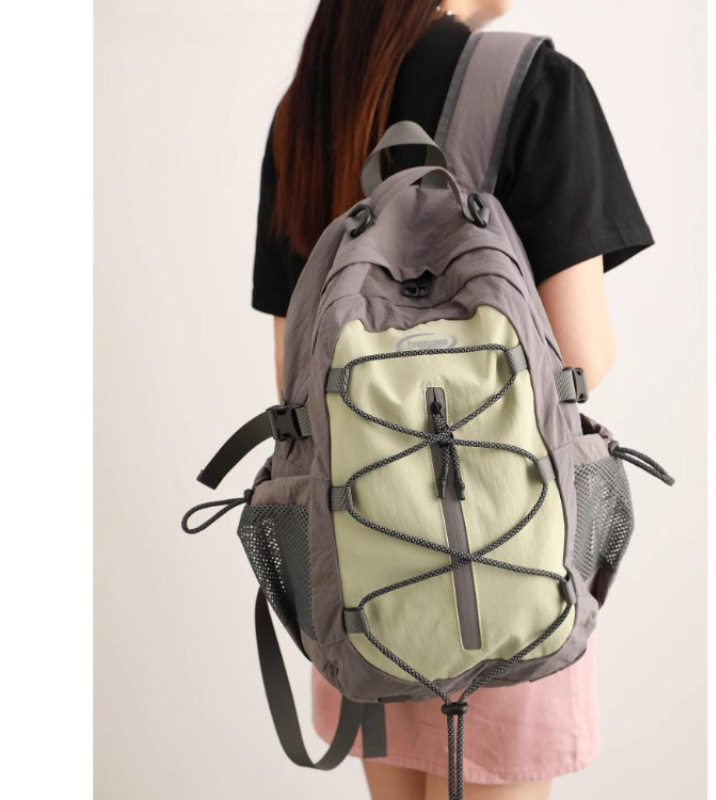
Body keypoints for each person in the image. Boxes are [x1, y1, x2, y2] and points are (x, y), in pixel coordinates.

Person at [251, 2, 653, 798]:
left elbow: (292, 376)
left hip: (361, 576)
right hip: (508, 560)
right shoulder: (534, 84)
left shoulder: (314, 103)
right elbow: (580, 356)